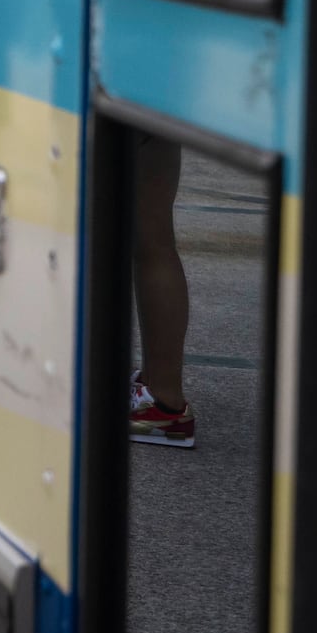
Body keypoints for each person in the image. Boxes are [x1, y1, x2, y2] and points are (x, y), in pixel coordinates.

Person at [129, 135, 197, 447]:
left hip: (117, 92)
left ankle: (162, 401)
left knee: (148, 239)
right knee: (153, 238)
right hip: (158, 98)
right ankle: (160, 391)